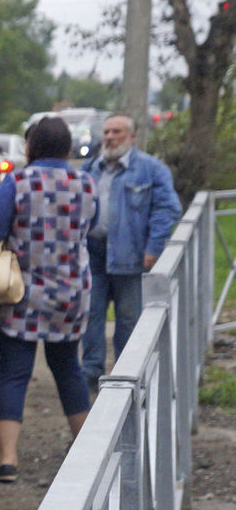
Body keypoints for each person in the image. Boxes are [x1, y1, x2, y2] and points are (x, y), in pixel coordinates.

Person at [0, 116, 98, 484]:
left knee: (14, 374)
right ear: (65, 148)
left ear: (31, 146)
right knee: (69, 370)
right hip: (70, 293)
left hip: (20, 294)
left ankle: (8, 460)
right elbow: (92, 226)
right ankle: (88, 450)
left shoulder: (16, 182)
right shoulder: (86, 183)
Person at [80, 113, 182, 392]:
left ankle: (126, 377)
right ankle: (91, 375)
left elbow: (168, 208)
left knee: (128, 318)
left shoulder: (151, 169)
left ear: (133, 137)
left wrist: (154, 245)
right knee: (91, 315)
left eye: (117, 132)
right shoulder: (91, 169)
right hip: (93, 254)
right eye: (107, 132)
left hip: (131, 254)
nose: (110, 138)